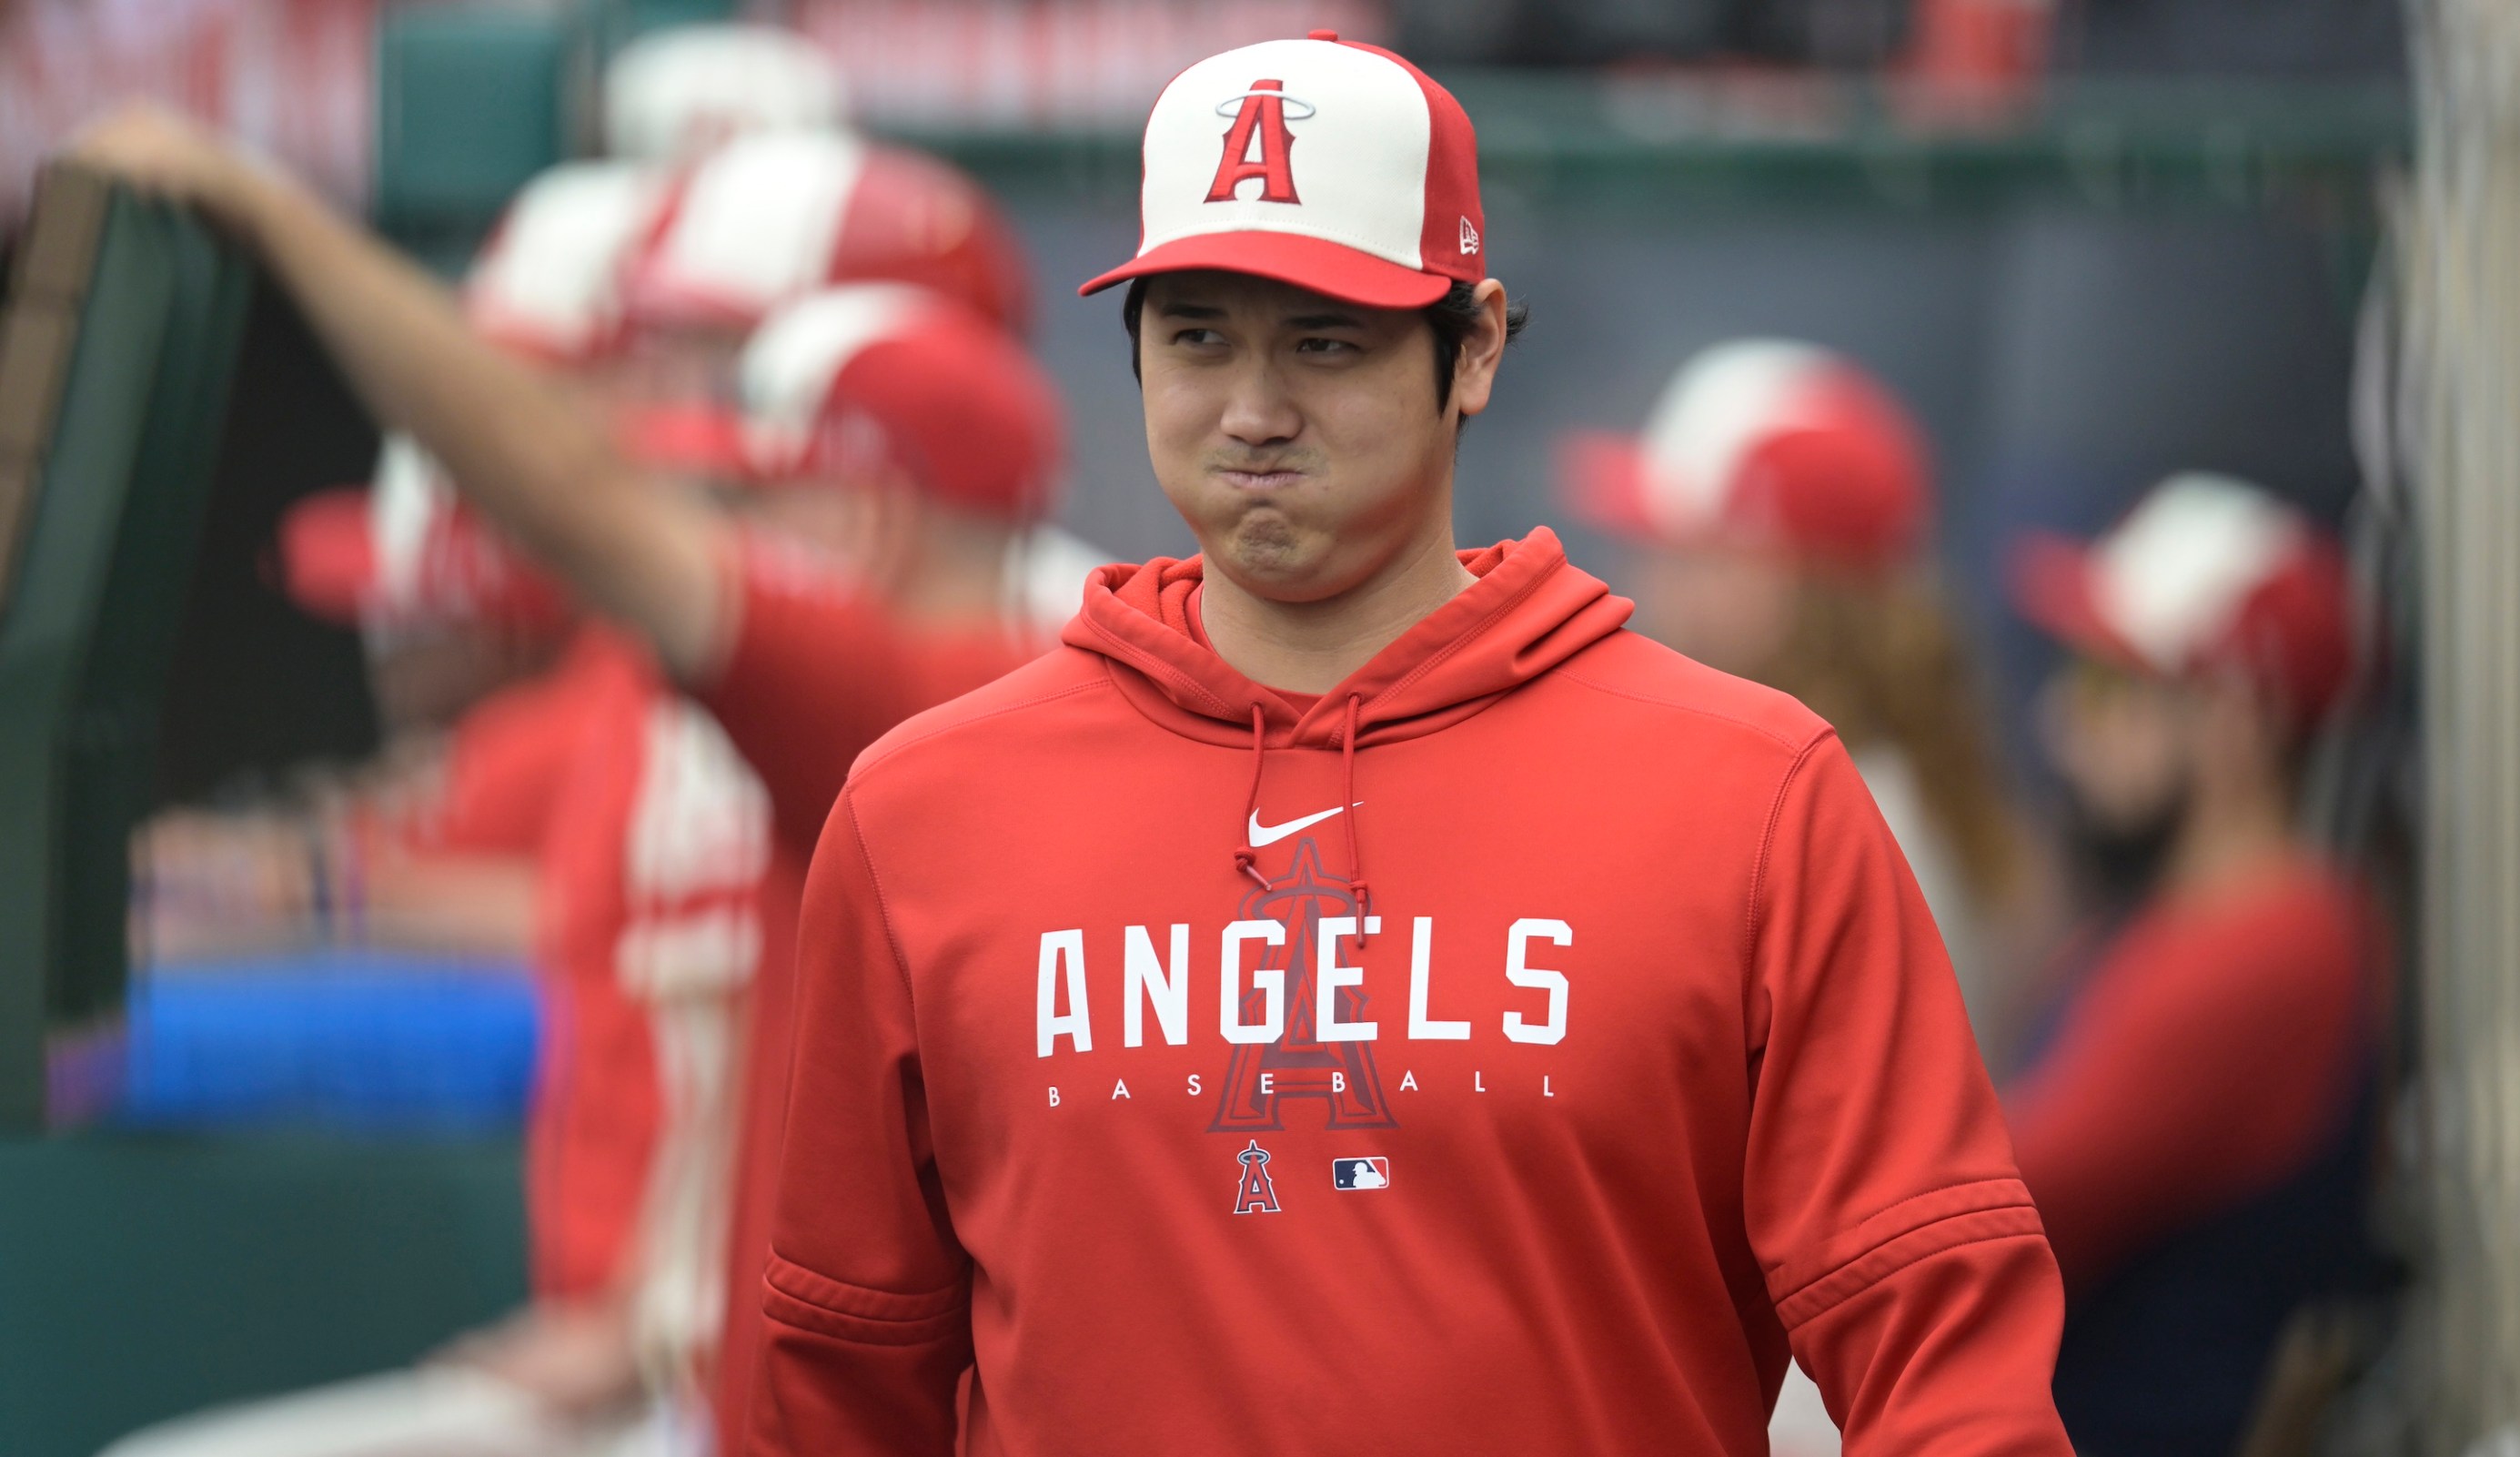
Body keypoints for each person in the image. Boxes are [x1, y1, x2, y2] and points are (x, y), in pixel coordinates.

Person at [747, 31, 2048, 1454]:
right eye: (1197, 335)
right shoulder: (926, 809)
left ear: (1475, 344)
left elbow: (1947, 1359)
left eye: (1326, 340)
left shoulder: (1750, 795)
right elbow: (835, 1384)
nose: (1252, 409)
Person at [75, 84, 1057, 1457]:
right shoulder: (695, 688)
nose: (654, 419)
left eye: (742, 468)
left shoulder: (971, 691)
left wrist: (270, 211)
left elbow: (583, 507)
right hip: (705, 1366)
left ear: (865, 499)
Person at [2001, 472, 2386, 1457]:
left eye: (2105, 685)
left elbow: (2002, 1211)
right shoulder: (2173, 925)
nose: (2061, 724)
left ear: (2235, 720)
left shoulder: (2265, 951)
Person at [1559, 338, 2033, 1053]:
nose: (1646, 586)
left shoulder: (1847, 824)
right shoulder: (1855, 786)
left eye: (1690, 556)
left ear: (1794, 584)